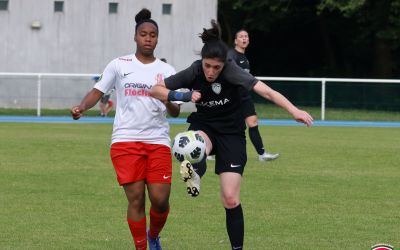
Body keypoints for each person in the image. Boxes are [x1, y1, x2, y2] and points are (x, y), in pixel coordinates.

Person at [149, 20, 313, 250]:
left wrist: (294, 110)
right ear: (202, 61)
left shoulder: (232, 70)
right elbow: (154, 89)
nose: (211, 72)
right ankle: (194, 173)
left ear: (224, 64)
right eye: (207, 66)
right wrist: (183, 96)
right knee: (195, 145)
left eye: (216, 67)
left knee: (230, 199)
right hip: (204, 126)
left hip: (232, 133)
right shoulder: (195, 70)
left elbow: (265, 90)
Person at [70, 8, 179, 250]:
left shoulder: (167, 71)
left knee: (160, 201)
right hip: (125, 141)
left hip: (158, 141)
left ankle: (153, 236)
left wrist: (167, 99)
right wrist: (81, 107)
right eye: (143, 34)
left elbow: (176, 112)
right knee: (137, 199)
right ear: (136, 37)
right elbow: (98, 91)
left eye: (152, 35)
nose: (148, 38)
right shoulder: (119, 64)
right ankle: (141, 247)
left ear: (157, 38)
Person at [207, 29, 279, 162]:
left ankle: (262, 154)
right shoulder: (231, 55)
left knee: (253, 123)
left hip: (244, 96)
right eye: (241, 36)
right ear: (235, 41)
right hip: (233, 98)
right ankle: (209, 150)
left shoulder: (244, 58)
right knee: (225, 124)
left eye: (246, 36)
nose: (244, 38)